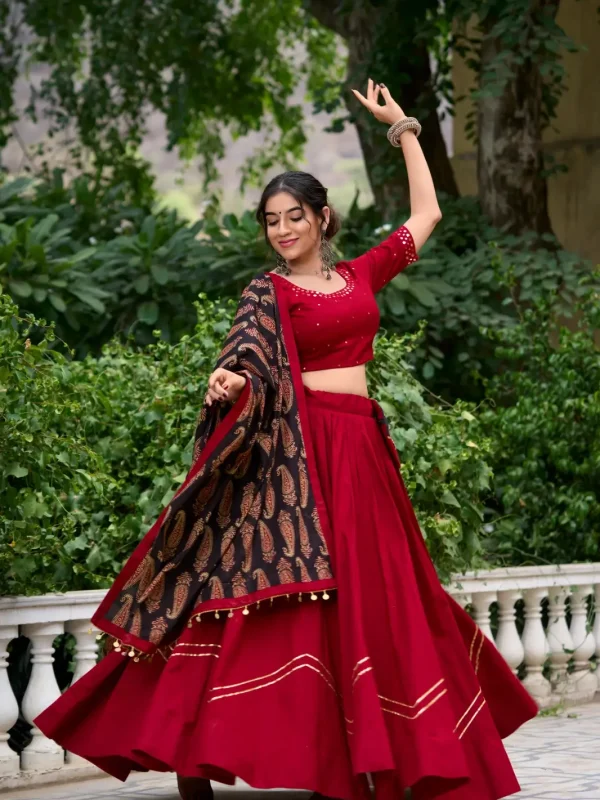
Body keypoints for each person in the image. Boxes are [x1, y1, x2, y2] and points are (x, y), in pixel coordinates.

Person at [35, 80, 537, 800]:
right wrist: (229, 383)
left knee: (379, 599)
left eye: (293, 216)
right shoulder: (266, 292)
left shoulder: (362, 273)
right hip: (293, 463)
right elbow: (243, 357)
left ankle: (372, 756)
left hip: (361, 452)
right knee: (277, 606)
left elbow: (427, 213)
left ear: (322, 217)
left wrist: (406, 131)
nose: (281, 230)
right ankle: (193, 749)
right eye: (271, 220)